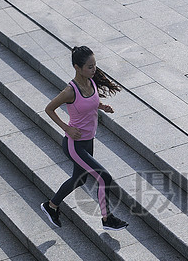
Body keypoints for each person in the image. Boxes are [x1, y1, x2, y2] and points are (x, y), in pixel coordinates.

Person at [39, 46, 129, 231]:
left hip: (89, 140)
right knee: (104, 177)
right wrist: (67, 128)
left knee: (79, 179)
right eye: (89, 67)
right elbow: (49, 109)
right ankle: (107, 219)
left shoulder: (91, 81)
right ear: (77, 67)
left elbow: (91, 101)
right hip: (75, 144)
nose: (94, 69)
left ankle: (51, 205)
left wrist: (102, 106)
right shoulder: (70, 91)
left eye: (94, 65)